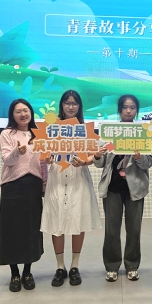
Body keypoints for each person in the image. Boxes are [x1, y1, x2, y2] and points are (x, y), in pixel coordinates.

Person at [41, 90, 102, 287]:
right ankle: (60, 267)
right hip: (57, 178)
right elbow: (44, 153)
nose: (70, 106)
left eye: (74, 103)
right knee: (56, 221)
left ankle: (75, 266)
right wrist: (47, 158)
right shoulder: (51, 129)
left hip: (78, 178)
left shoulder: (86, 130)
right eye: (67, 103)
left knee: (78, 220)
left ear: (79, 106)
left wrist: (86, 161)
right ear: (62, 105)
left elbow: (94, 155)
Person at [93, 95, 152, 282]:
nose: (128, 111)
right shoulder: (108, 132)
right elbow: (100, 163)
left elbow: (149, 162)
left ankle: (132, 265)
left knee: (134, 229)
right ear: (119, 109)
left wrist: (139, 158)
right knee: (111, 230)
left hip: (135, 187)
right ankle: (112, 266)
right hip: (113, 187)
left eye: (132, 107)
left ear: (137, 110)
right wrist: (97, 155)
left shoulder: (144, 133)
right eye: (125, 107)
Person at [0, 99, 47, 292]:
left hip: (33, 186)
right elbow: (7, 160)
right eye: (18, 111)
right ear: (12, 115)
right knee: (12, 231)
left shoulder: (38, 134)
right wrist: (17, 152)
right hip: (12, 186)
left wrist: (44, 186)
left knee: (31, 230)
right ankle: (14, 273)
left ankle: (27, 272)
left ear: (31, 112)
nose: (23, 114)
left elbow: (43, 163)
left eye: (25, 110)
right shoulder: (7, 134)